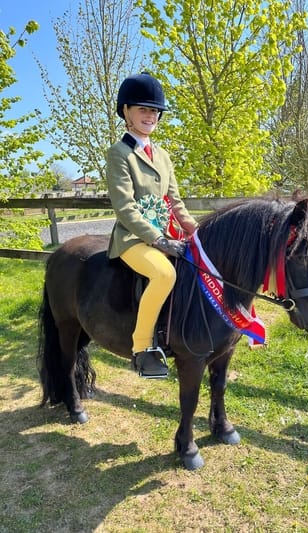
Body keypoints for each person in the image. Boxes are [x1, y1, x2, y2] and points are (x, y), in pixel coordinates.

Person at [106, 72, 198, 379]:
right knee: (164, 273)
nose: (151, 115)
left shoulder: (163, 156)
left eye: (155, 111)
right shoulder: (120, 154)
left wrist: (196, 231)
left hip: (167, 234)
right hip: (133, 238)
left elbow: (175, 202)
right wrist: (158, 240)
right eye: (144, 109)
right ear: (126, 112)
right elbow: (125, 208)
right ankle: (141, 347)